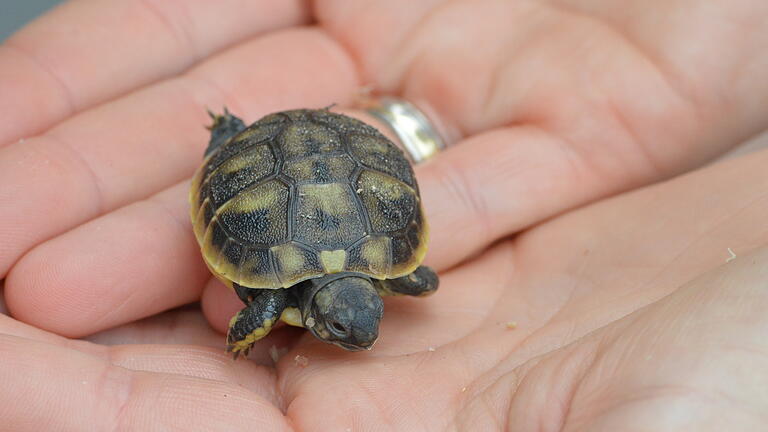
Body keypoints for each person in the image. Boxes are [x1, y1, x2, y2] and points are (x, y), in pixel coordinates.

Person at [0, 1, 766, 429]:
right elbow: (276, 299)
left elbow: (410, 280)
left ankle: (230, 134)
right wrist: (249, 330)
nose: (350, 340)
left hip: (336, 158)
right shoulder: (283, 296)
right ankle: (227, 136)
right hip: (278, 158)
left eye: (348, 330)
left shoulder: (393, 275)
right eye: (341, 330)